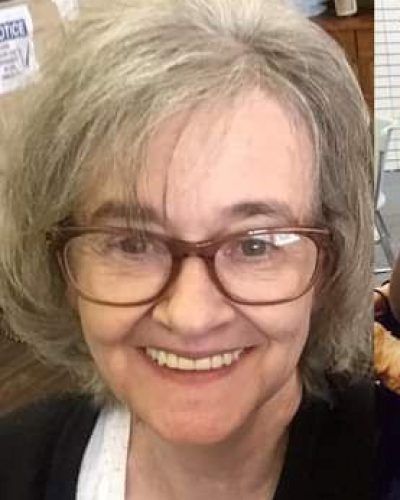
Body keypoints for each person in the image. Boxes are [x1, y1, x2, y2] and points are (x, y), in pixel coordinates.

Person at [0, 0, 373, 499]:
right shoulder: (14, 463)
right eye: (133, 244)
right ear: (62, 269)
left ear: (327, 267)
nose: (191, 317)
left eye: (255, 244)